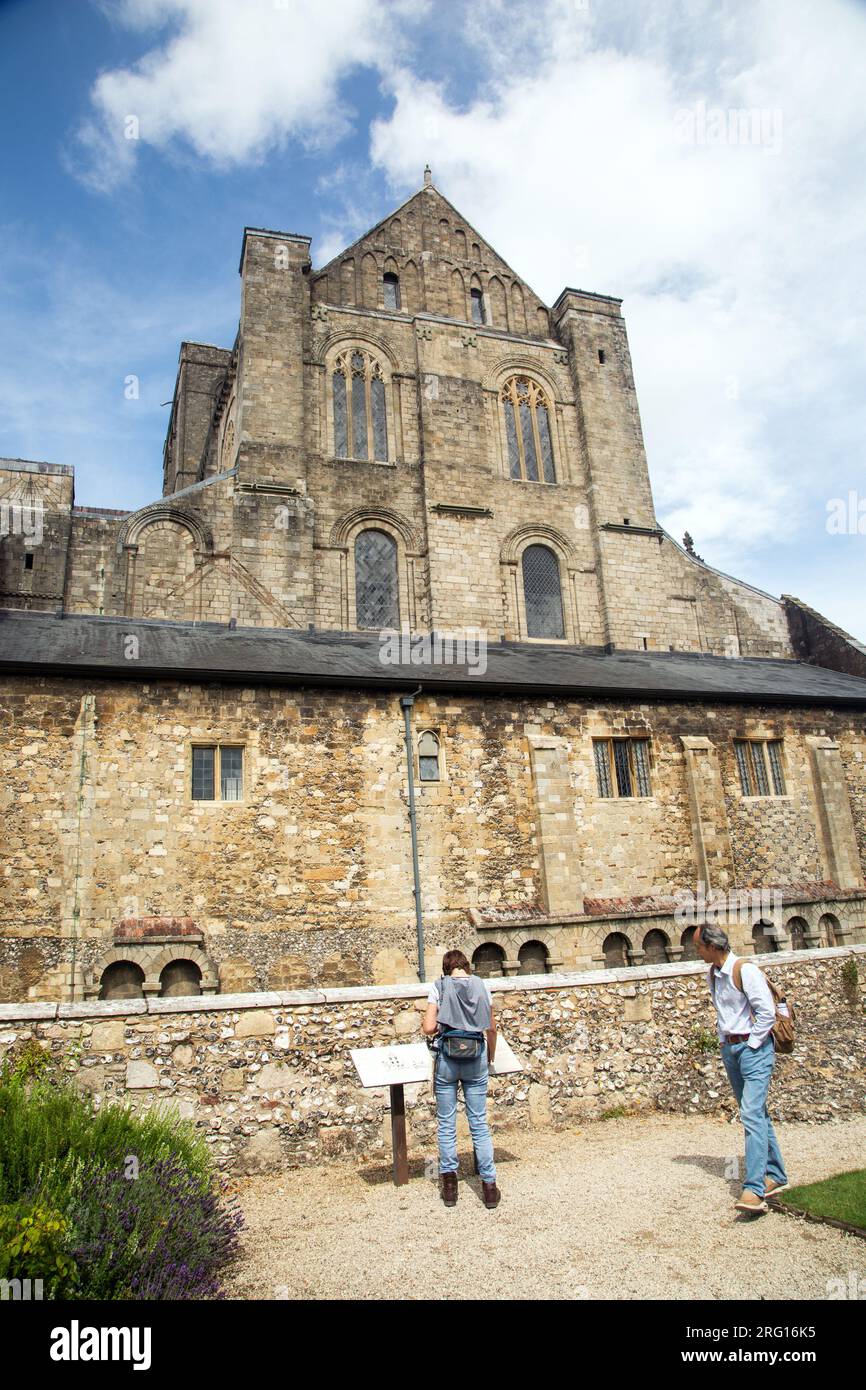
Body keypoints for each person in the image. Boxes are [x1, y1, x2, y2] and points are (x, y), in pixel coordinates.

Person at [695, 923, 789, 1214]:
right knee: (756, 1113)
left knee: (750, 1114)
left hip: (754, 1050)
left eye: (698, 946)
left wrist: (751, 1045)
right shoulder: (713, 974)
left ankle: (754, 1189)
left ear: (712, 947)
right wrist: (726, 1043)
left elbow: (766, 1013)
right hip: (732, 1050)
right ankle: (776, 1174)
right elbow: (726, 1013)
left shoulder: (744, 970)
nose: (696, 951)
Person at [422, 949, 500, 1209]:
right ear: (467, 966)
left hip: (448, 1058)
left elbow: (429, 1027)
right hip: (476, 1056)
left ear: (447, 968)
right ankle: (489, 1188)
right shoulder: (481, 985)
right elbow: (491, 1027)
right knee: (478, 1123)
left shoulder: (440, 986)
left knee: (446, 1124)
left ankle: (450, 1188)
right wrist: (490, 1056)